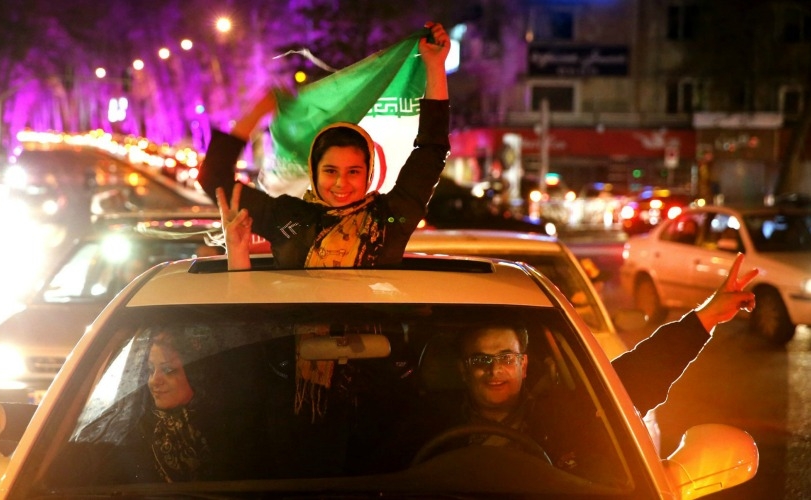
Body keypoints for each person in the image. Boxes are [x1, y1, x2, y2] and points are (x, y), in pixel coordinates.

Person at [420, 252, 759, 477]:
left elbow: (637, 377)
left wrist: (705, 318)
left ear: (524, 365)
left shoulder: (568, 415)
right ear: (464, 370)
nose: (495, 371)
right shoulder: (425, 427)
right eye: (481, 360)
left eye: (506, 358)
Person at [200, 22, 451, 269]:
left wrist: (435, 66)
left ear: (368, 173)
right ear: (314, 171)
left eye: (353, 171)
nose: (341, 183)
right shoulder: (287, 217)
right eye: (331, 171)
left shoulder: (390, 218)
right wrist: (256, 113)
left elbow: (432, 150)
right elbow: (214, 178)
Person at [0, 328, 215, 483]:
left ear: (198, 372)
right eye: (149, 371)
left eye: (169, 370)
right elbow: (58, 421)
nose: (155, 381)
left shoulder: (231, 421)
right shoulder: (128, 421)